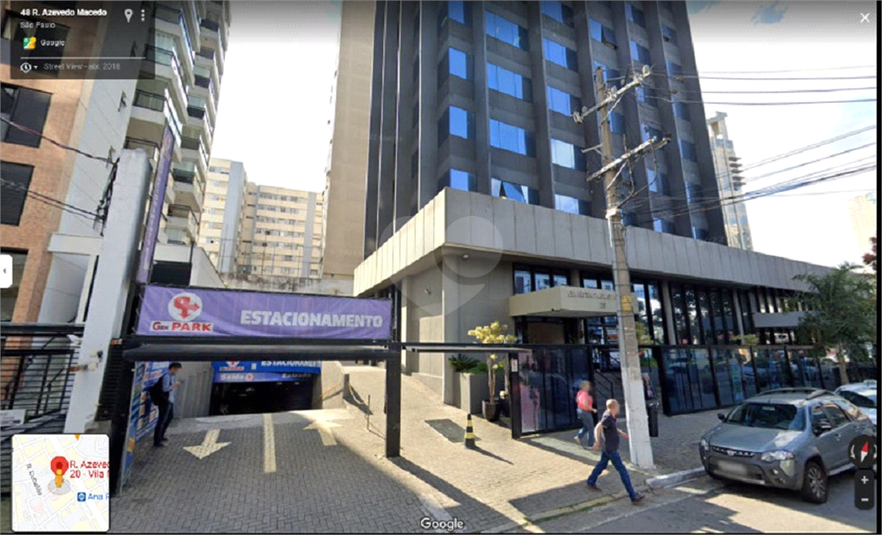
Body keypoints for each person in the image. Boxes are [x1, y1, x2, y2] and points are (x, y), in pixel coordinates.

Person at [586, 399, 645, 505]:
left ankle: (591, 481)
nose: (619, 408)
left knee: (602, 464)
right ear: (613, 407)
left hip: (608, 448)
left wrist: (621, 433)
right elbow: (598, 427)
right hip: (610, 449)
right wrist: (597, 442)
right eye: (617, 406)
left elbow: (612, 427)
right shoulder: (607, 417)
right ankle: (633, 496)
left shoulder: (610, 416)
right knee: (623, 471)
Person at [153, 362, 183, 448]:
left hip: (170, 400)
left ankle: (161, 435)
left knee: (169, 418)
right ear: (173, 368)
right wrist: (174, 385)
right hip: (165, 401)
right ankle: (157, 440)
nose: (177, 371)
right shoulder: (166, 376)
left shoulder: (172, 376)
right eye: (177, 370)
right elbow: (165, 388)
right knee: (162, 420)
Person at [574, 381, 597, 448]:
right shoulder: (585, 394)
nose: (589, 387)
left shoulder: (579, 393)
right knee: (591, 428)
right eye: (588, 386)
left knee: (586, 426)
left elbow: (577, 400)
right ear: (585, 386)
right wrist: (592, 409)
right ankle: (590, 444)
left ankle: (579, 436)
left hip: (579, 410)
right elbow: (585, 404)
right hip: (585, 411)